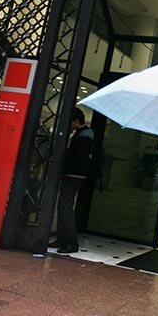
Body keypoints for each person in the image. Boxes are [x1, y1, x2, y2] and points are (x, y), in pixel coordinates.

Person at [49, 107, 94, 254]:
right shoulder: (84, 134)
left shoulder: (83, 136)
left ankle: (70, 242)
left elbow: (78, 157)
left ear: (76, 121)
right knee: (63, 206)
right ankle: (61, 239)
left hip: (74, 174)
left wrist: (66, 153)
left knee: (65, 207)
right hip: (75, 175)